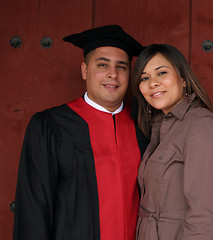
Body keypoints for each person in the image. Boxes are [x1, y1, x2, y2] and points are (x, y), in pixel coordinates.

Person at [13, 25, 148, 240]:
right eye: (102, 64)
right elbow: (34, 209)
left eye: (121, 67)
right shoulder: (51, 126)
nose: (112, 74)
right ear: (85, 70)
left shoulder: (142, 128)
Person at [131, 44, 213, 240]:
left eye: (161, 73)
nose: (153, 83)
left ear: (184, 79)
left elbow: (205, 221)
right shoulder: (159, 128)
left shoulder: (202, 128)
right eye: (145, 78)